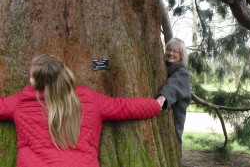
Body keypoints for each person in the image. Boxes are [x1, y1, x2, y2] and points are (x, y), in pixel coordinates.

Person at [0, 54, 161, 167]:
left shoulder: (21, 101)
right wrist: (156, 104)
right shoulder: (88, 98)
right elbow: (123, 107)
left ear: (36, 82)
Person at [156, 37, 191, 157]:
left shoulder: (182, 72)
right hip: (165, 114)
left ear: (181, 55)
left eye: (175, 51)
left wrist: (162, 97)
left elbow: (173, 85)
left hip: (176, 115)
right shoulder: (165, 68)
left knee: (175, 141)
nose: (171, 53)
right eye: (169, 50)